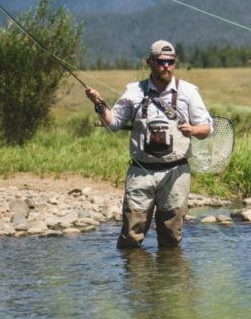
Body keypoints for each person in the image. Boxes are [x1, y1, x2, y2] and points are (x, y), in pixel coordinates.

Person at [85, 40, 212, 248]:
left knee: (171, 238)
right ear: (150, 62)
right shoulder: (133, 91)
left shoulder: (188, 92)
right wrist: (98, 103)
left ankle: (169, 279)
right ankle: (135, 279)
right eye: (161, 61)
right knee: (130, 238)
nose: (166, 66)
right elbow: (113, 124)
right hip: (140, 172)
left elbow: (207, 128)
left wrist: (194, 130)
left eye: (171, 62)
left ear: (175, 63)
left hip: (176, 173)